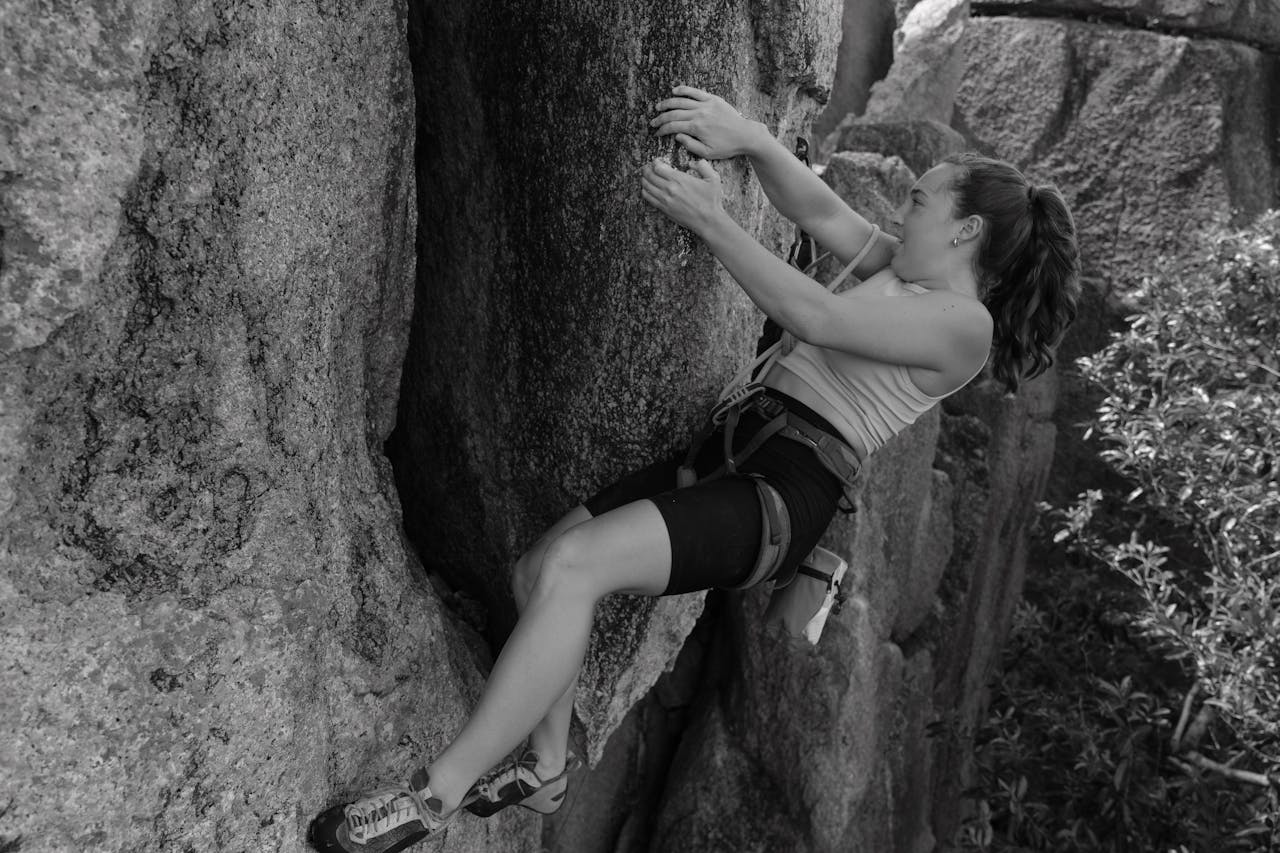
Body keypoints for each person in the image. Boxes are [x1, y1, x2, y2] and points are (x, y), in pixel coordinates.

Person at [309, 85, 1080, 852]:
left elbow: (817, 316)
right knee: (536, 570)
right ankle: (545, 768)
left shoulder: (965, 326)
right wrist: (750, 136)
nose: (904, 212)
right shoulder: (903, 272)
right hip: (735, 447)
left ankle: (430, 799)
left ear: (966, 230)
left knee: (574, 568)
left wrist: (711, 219)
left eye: (919, 200)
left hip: (781, 491)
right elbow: (818, 210)